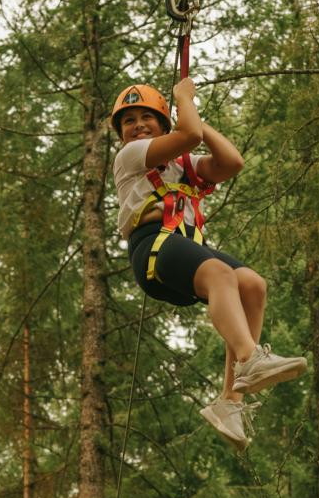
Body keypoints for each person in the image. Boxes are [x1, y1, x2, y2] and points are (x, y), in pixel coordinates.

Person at [111, 77, 307, 450]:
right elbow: (187, 135)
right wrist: (184, 103)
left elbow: (232, 162)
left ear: (163, 124)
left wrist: (194, 119)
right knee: (220, 273)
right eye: (128, 121)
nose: (137, 125)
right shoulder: (130, 156)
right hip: (152, 247)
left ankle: (230, 402)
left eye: (146, 118)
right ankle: (249, 358)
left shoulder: (184, 164)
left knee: (251, 284)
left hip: (184, 245)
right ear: (122, 135)